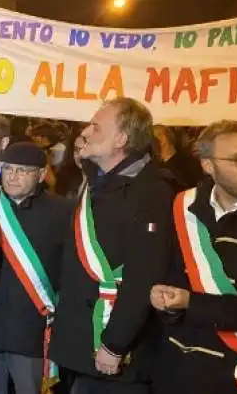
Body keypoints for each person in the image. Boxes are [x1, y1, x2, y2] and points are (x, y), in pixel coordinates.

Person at [50, 98, 173, 394]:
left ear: (121, 139)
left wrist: (115, 344)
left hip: (115, 351)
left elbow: (144, 275)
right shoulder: (96, 180)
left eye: (96, 126)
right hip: (82, 341)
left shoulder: (152, 191)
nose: (86, 132)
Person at [152, 121, 237, 394]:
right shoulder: (181, 206)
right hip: (177, 374)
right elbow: (167, 274)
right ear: (208, 165)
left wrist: (192, 303)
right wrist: (165, 302)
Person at [0, 142, 72, 394]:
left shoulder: (62, 212)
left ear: (42, 175)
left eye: (22, 170)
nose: (12, 176)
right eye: (8, 168)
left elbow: (69, 270)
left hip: (31, 329)